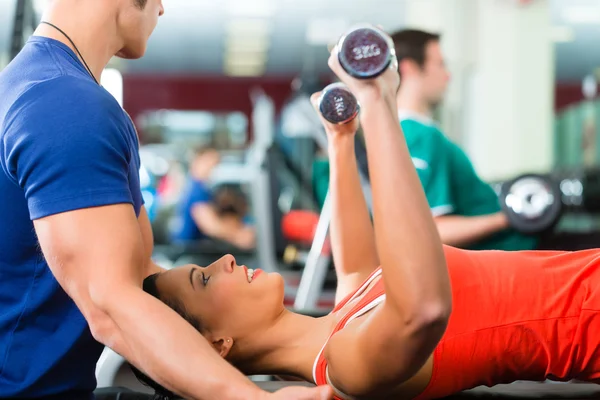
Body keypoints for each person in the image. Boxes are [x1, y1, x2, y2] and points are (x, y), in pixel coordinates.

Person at [141, 37, 600, 400]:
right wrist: (379, 99)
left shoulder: (345, 315)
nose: (222, 260)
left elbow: (356, 258)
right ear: (219, 343)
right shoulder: (348, 368)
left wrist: (340, 138)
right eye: (203, 280)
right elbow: (422, 310)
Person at [0, 1, 331, 399]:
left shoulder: (39, 87)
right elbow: (110, 305)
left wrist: (274, 333)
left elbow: (141, 275)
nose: (160, 8)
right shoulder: (67, 105)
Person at [390, 29, 538, 251]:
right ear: (409, 68)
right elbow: (432, 232)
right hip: (507, 257)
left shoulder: (406, 132)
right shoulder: (419, 135)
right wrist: (510, 217)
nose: (447, 75)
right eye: (440, 64)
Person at [171, 147, 255, 250]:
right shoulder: (195, 190)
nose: (213, 167)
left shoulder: (204, 188)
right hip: (190, 250)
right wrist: (238, 236)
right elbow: (210, 226)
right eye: (209, 162)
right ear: (197, 161)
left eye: (216, 163)